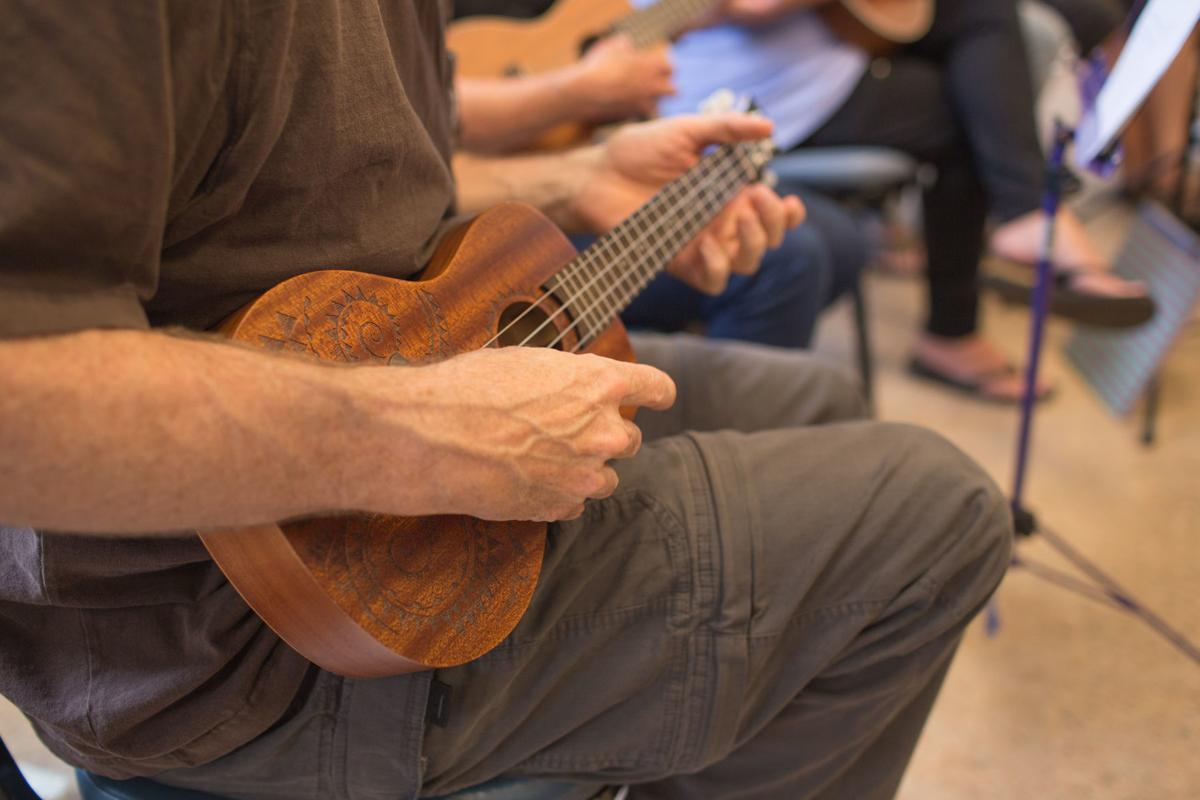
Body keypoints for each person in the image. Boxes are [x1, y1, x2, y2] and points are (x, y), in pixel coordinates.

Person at [0, 3, 1012, 799]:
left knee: (814, 395)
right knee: (939, 508)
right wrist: (417, 429)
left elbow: (362, 167)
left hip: (404, 379)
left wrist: (576, 176)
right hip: (234, 642)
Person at [654, 0, 1154, 401]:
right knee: (971, 113)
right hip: (753, 99)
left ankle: (1016, 224)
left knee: (990, 20)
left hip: (819, 53)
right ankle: (970, 300)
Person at [451, 1, 869, 350]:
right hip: (484, 208)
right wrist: (580, 90)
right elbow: (438, 116)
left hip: (582, 156)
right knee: (788, 259)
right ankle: (704, 430)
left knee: (842, 239)